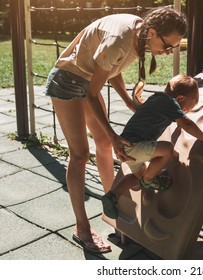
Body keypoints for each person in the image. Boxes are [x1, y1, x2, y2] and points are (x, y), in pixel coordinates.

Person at [44, 7, 187, 254]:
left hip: (88, 80)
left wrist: (130, 102)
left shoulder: (140, 34)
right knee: (80, 154)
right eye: (167, 46)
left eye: (172, 48)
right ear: (152, 32)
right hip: (68, 80)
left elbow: (111, 72)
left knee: (104, 144)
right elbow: (90, 93)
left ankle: (112, 204)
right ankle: (82, 228)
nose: (167, 53)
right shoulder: (119, 40)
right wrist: (113, 133)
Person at [101, 75, 203, 219]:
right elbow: (186, 123)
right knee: (167, 150)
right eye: (187, 108)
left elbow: (149, 113)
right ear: (180, 98)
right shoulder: (171, 103)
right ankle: (150, 180)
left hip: (125, 147)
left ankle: (112, 196)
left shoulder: (156, 97)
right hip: (135, 145)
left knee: (136, 176)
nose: (184, 112)